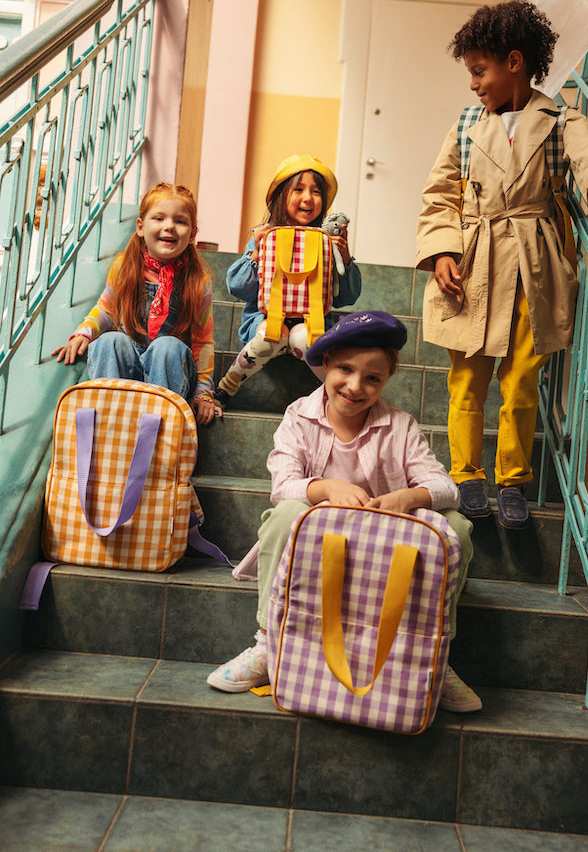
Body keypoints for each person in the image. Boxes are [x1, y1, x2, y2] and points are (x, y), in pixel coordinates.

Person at [416, 0, 588, 529]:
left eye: (480, 71)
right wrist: (442, 251)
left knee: (522, 378)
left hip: (533, 263)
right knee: (468, 377)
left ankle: (513, 479)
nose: (474, 84)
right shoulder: (464, 126)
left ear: (515, 62)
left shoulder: (559, 118)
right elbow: (439, 194)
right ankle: (467, 473)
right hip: (473, 262)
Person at [207, 310, 481, 714]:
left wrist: (406, 498)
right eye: (345, 370)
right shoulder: (298, 417)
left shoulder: (400, 425)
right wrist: (326, 488)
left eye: (373, 378)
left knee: (455, 526)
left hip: (386, 558)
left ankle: (434, 652)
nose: (355, 387)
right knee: (284, 514)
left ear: (386, 380)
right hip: (318, 555)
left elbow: (447, 489)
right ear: (325, 365)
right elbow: (282, 487)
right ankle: (269, 641)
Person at [52, 182, 221, 425]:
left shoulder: (197, 281)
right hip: (129, 364)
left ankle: (160, 429)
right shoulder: (125, 267)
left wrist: (203, 393)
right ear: (141, 227)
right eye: (159, 218)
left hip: (168, 371)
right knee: (110, 341)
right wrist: (84, 333)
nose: (169, 226)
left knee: (167, 347)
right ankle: (108, 423)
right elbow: (106, 309)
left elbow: (203, 341)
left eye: (180, 221)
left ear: (193, 234)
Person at [216, 154, 362, 405]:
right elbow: (237, 287)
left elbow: (346, 297)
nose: (308, 198)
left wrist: (344, 258)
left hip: (311, 324)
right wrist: (256, 252)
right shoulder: (265, 237)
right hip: (264, 323)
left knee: (303, 338)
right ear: (280, 197)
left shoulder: (326, 242)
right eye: (299, 189)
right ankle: (224, 388)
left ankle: (341, 398)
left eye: (316, 192)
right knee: (272, 334)